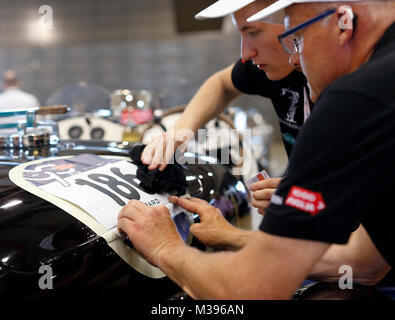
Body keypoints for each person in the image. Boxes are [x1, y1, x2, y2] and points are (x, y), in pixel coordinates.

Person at [117, 0, 395, 299]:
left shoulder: (359, 98)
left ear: (343, 22)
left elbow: (253, 285)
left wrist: (164, 247)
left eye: (296, 38)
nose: (294, 59)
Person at [141, 0, 313, 216]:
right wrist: (179, 132)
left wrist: (308, 199)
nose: (245, 54)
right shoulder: (271, 64)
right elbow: (221, 83)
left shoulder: (347, 86)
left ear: (293, 18)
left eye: (253, 32)